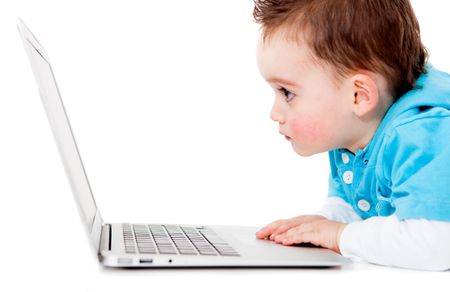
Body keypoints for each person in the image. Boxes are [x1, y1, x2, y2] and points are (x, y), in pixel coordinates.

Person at [253, 0, 450, 271]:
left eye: (287, 93)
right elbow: (355, 203)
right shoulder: (354, 132)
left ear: (359, 96)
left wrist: (337, 235)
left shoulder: (420, 135)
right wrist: (318, 225)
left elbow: (436, 244)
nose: (275, 113)